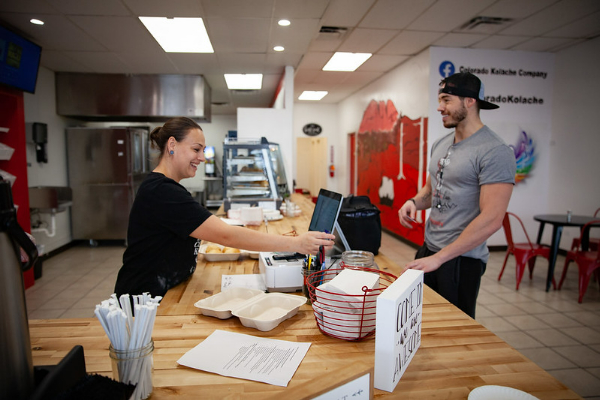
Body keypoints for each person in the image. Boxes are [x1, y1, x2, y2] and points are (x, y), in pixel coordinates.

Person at [115, 117, 334, 298]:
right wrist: (297, 243)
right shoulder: (162, 191)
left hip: (163, 290)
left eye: (202, 150)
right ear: (172, 145)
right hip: (143, 301)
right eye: (196, 149)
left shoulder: (164, 187)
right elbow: (226, 236)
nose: (201, 158)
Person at [398, 72, 516, 319]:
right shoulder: (441, 143)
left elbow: (493, 218)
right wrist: (413, 202)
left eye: (447, 100)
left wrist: (440, 258)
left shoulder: (494, 151)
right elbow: (432, 191)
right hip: (430, 250)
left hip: (462, 260)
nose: (440, 107)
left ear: (470, 101)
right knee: (420, 322)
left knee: (453, 331)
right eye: (440, 100)